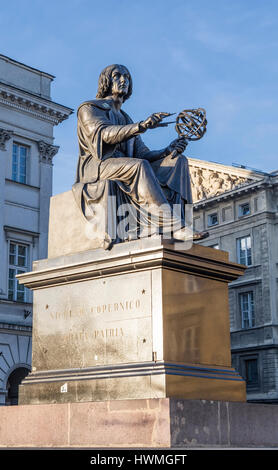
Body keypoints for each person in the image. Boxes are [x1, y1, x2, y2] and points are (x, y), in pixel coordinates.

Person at [72, 64, 208, 248]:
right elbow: (104, 134)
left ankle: (182, 222)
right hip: (99, 166)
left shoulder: (126, 118)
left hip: (125, 165)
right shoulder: (90, 108)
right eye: (117, 76)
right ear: (106, 81)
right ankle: (175, 226)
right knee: (138, 166)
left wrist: (168, 151)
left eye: (127, 77)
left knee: (178, 161)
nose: (123, 80)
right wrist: (141, 126)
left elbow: (142, 153)